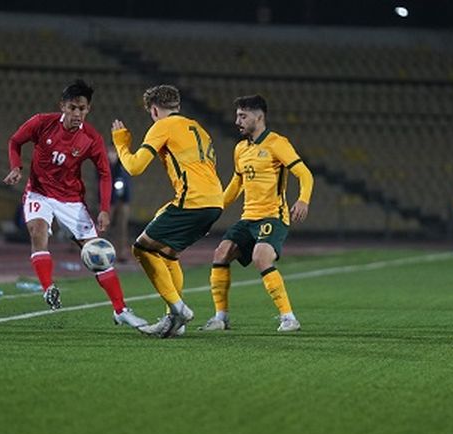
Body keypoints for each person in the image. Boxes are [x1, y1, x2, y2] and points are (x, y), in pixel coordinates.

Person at [4, 80, 148, 330]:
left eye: (82, 109)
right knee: (38, 232)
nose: (77, 114)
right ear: (63, 106)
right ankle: (48, 288)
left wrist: (104, 208)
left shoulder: (91, 137)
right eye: (73, 108)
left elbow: (105, 173)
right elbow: (15, 141)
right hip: (39, 193)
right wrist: (16, 166)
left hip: (72, 201)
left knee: (99, 254)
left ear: (88, 110)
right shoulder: (42, 122)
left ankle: (121, 310)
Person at [111, 85, 224, 338]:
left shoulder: (162, 126)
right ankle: (176, 323)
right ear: (178, 106)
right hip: (215, 201)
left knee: (141, 248)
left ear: (154, 110)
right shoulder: (200, 129)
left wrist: (121, 144)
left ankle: (178, 310)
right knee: (169, 254)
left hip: (193, 200)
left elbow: (135, 167)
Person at [198, 95, 314, 332]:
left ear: (259, 117)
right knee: (220, 254)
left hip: (273, 215)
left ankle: (289, 318)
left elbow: (305, 174)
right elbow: (235, 185)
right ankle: (221, 317)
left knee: (261, 257)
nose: (237, 121)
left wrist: (303, 200)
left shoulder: (277, 143)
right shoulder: (241, 148)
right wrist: (212, 210)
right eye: (237, 115)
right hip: (248, 218)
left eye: (243, 116)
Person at [107, 146, 133, 263]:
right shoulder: (105, 164)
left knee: (122, 226)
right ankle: (95, 251)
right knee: (104, 225)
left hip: (123, 198)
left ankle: (121, 252)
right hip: (108, 199)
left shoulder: (125, 161)